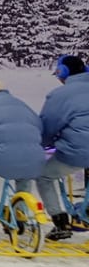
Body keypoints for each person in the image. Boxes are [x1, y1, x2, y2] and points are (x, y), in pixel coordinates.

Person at [35, 55, 89, 240]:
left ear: (62, 72)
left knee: (43, 175)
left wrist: (39, 145)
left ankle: (60, 223)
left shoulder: (59, 95)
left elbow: (48, 127)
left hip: (78, 151)